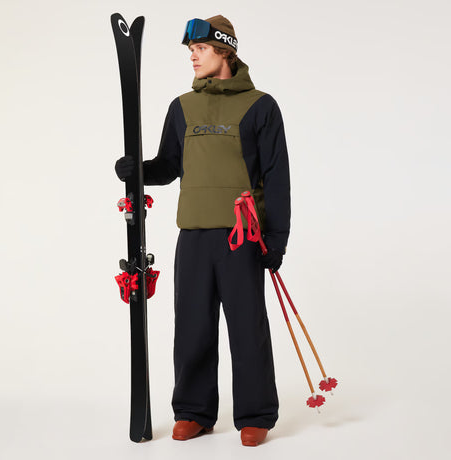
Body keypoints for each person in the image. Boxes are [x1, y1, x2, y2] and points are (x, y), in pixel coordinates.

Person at [115, 15, 291, 447]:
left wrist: (276, 239)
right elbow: (169, 166)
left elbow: (276, 177)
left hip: (241, 237)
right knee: (192, 325)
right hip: (192, 236)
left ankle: (255, 414)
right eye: (191, 51)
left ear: (225, 50)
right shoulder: (182, 107)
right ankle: (193, 411)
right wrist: (138, 171)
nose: (192, 57)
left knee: (247, 328)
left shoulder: (261, 106)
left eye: (201, 49)